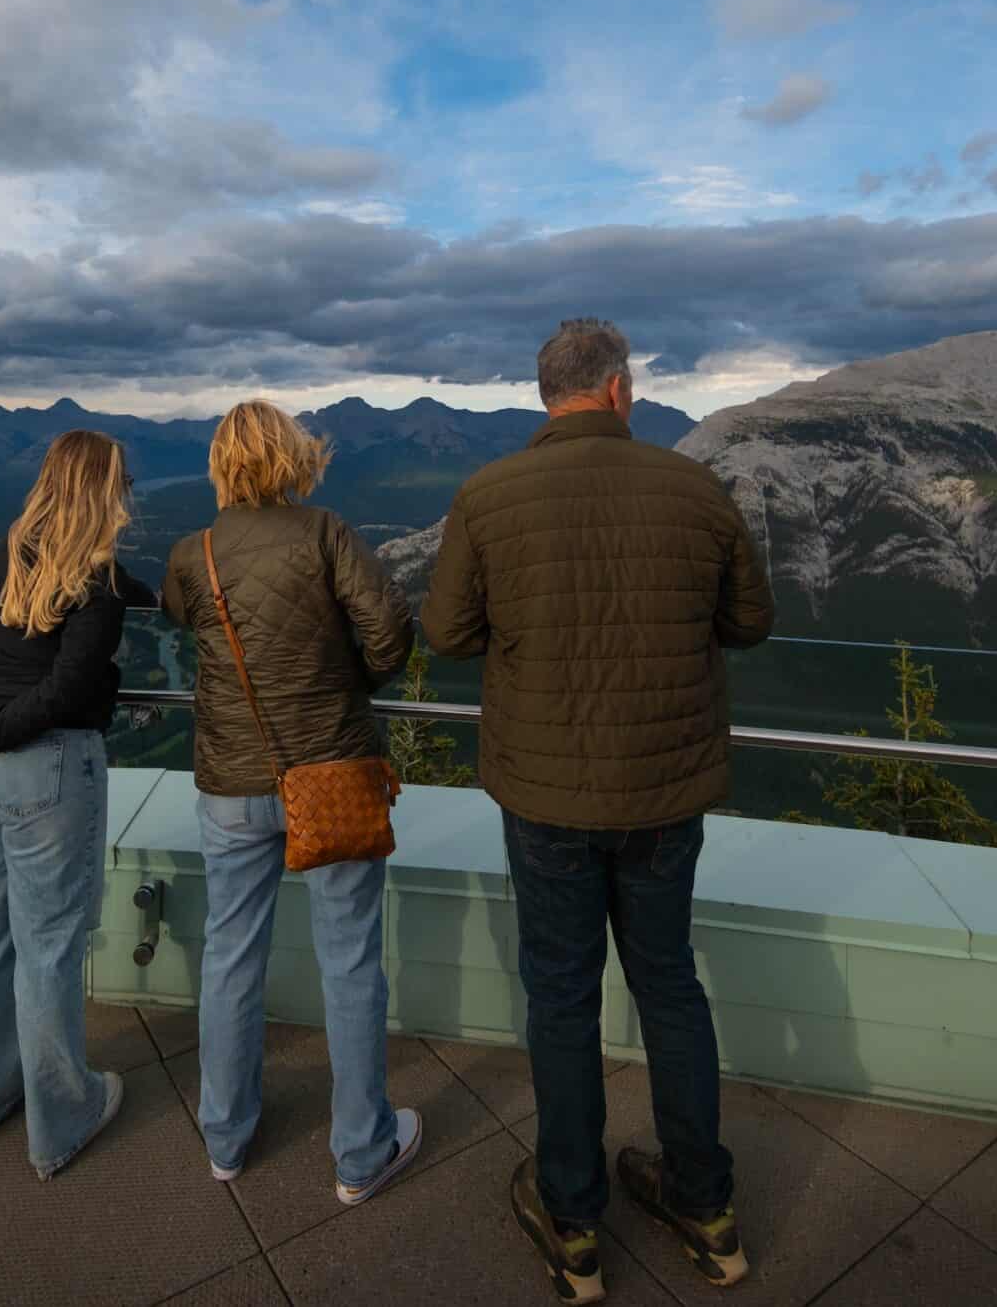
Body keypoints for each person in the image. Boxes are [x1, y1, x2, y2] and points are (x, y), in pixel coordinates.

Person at [422, 319, 774, 1302]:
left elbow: (446, 632)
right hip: (665, 792)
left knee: (563, 999)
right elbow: (750, 622)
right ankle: (706, 1207)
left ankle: (572, 1223)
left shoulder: (488, 496)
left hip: (546, 797)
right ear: (620, 391)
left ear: (548, 397)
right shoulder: (696, 489)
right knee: (669, 986)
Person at [161, 400, 423, 1206]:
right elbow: (391, 631)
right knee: (349, 962)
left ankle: (227, 1140)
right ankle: (359, 1152)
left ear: (220, 465)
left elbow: (184, 619)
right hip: (333, 777)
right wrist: (345, 687)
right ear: (293, 458)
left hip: (233, 785)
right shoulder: (325, 532)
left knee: (230, 958)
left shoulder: (191, 552)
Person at [0, 428, 155, 1179]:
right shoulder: (97, 581)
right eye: (122, 482)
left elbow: (15, 662)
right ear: (104, 489)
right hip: (43, 771)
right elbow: (66, 691)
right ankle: (62, 1119)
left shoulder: (12, 553)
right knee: (49, 946)